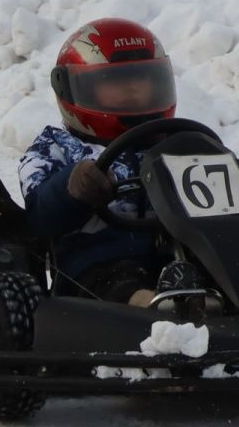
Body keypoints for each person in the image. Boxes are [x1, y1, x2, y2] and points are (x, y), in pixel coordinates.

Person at [17, 18, 179, 305]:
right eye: (117, 82)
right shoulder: (53, 149)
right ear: (75, 89)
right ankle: (155, 307)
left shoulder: (178, 141)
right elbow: (41, 216)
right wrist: (73, 187)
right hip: (95, 266)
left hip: (179, 254)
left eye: (142, 79)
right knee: (119, 279)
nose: (133, 90)